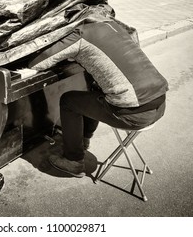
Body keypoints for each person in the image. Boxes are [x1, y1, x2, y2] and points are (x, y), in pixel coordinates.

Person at [28, 19, 168, 178]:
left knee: (68, 101)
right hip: (160, 103)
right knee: (95, 89)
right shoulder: (113, 26)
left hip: (134, 113)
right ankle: (84, 139)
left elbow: (37, 64)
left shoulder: (79, 35)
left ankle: (73, 160)